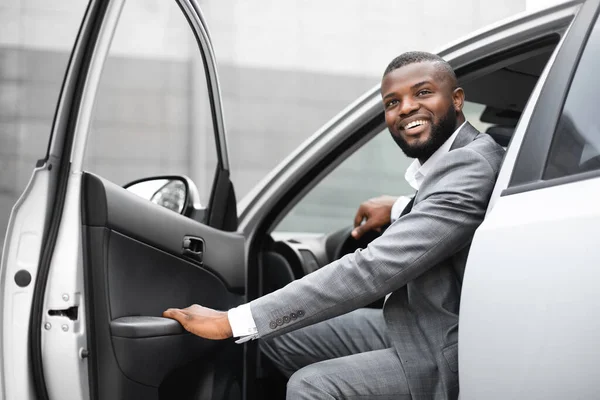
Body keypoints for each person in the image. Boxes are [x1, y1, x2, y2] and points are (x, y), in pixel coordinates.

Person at [163, 51, 506, 399]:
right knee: (276, 336)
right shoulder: (462, 160)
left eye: (422, 93)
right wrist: (400, 207)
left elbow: (374, 267)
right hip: (417, 323)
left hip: (446, 347)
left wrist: (231, 321)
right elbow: (447, 218)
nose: (405, 108)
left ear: (457, 99)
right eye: (392, 102)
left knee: (312, 385)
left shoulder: (470, 165)